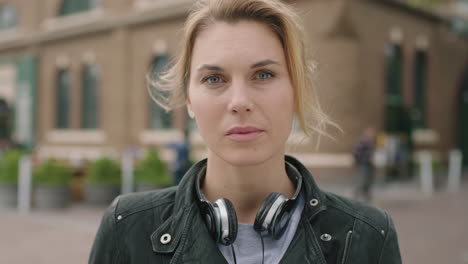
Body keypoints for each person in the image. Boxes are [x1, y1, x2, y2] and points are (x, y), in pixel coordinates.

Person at [89, 0, 402, 263]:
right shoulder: (126, 229)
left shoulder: (369, 238)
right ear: (189, 100)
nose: (239, 102)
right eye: (214, 79)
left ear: (297, 90)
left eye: (263, 74)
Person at [353, 126, 377, 202]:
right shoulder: (362, 142)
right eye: (370, 133)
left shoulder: (371, 142)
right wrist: (358, 162)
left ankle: (367, 197)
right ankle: (356, 196)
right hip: (363, 164)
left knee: (369, 180)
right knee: (363, 180)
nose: (372, 135)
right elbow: (356, 153)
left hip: (370, 164)